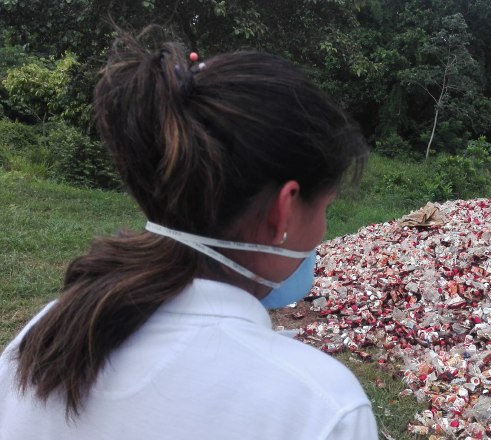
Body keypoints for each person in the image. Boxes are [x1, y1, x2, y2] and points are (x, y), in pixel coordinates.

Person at [0, 29, 377, 440]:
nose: (323, 230)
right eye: (325, 208)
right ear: (283, 210)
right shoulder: (321, 407)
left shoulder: (46, 335)